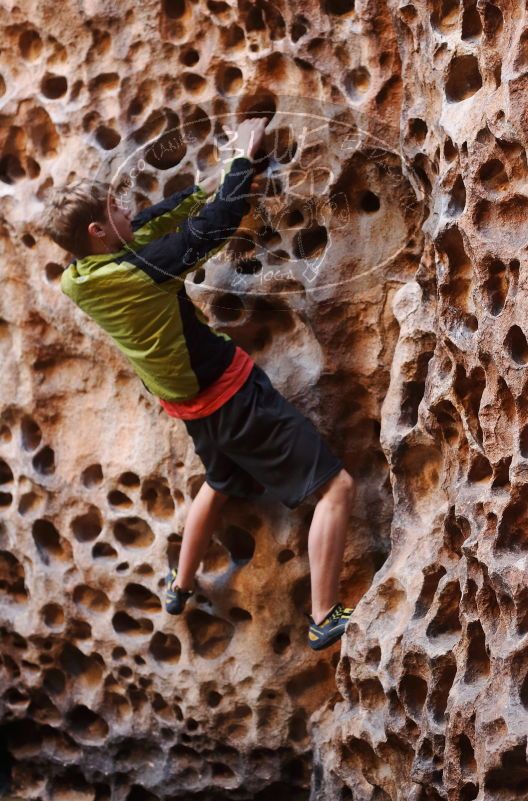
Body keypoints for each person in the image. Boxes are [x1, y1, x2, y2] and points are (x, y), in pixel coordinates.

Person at [43, 116, 355, 651]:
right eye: (114, 209)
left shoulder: (83, 273)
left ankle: (180, 584)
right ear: (97, 232)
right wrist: (244, 154)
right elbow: (208, 231)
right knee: (336, 488)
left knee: (220, 482)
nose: (126, 211)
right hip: (233, 400)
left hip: (194, 411)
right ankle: (324, 614)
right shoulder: (138, 271)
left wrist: (215, 180)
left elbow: (153, 220)